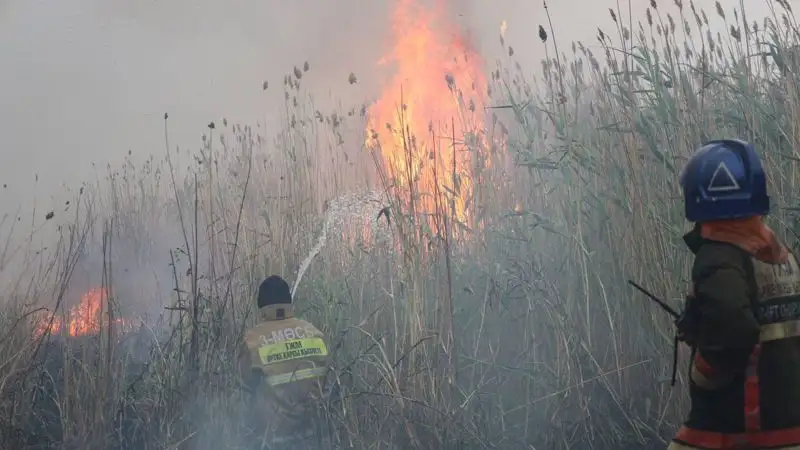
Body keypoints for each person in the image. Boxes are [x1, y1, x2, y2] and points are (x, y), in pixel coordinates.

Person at [668, 139, 800, 449]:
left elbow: (733, 328)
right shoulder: (782, 256)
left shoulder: (717, 255)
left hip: (737, 430)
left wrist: (703, 371)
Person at [239, 275, 330, 449]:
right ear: (289, 303)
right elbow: (326, 381)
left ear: (262, 307)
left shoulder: (253, 340)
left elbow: (245, 388)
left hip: (273, 439)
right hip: (314, 436)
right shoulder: (315, 333)